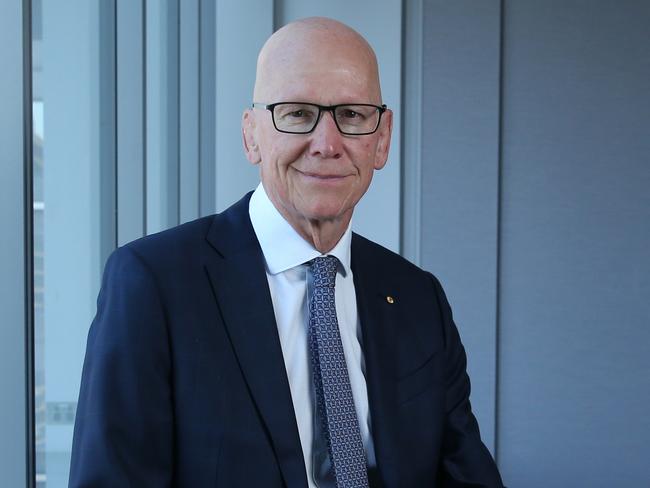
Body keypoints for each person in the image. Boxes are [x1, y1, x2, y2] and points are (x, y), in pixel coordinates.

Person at [69, 17, 504, 488]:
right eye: (297, 114)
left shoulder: (419, 297)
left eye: (353, 115)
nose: (327, 144)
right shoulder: (152, 283)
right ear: (252, 134)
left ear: (382, 140)